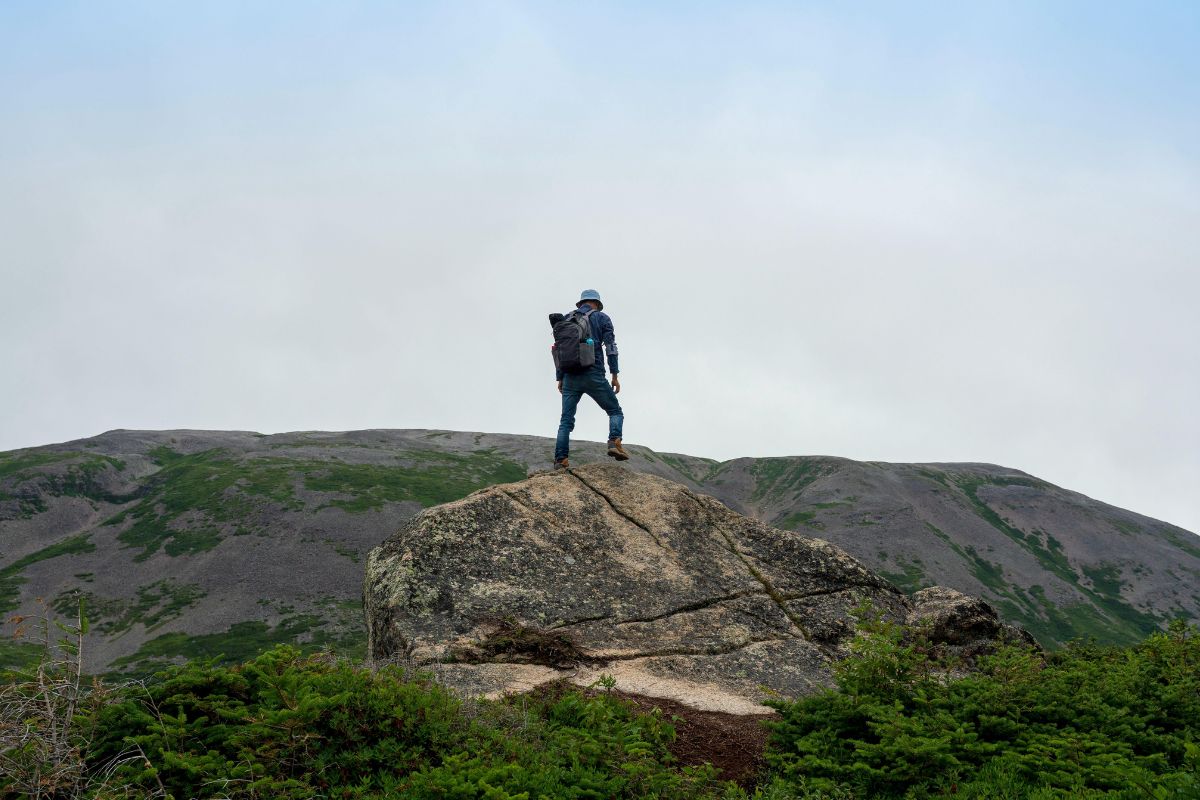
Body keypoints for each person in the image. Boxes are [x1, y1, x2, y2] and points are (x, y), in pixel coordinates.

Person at [554, 289, 627, 468]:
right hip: (593, 373)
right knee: (615, 411)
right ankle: (613, 442)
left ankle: (560, 460)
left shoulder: (567, 318)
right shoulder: (602, 318)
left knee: (565, 421)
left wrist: (560, 378)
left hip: (570, 376)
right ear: (597, 304)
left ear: (580, 303)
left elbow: (559, 350)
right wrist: (615, 375)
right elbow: (611, 348)